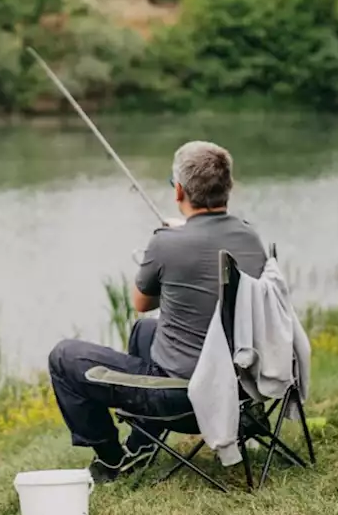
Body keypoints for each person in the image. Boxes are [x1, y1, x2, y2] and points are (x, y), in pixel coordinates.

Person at [48, 141, 267, 482]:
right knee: (145, 331)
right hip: (242, 387)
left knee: (63, 357)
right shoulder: (250, 236)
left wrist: (169, 236)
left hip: (184, 398)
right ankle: (143, 443)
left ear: (179, 190)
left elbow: (141, 303)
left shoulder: (167, 243)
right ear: (229, 187)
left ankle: (112, 460)